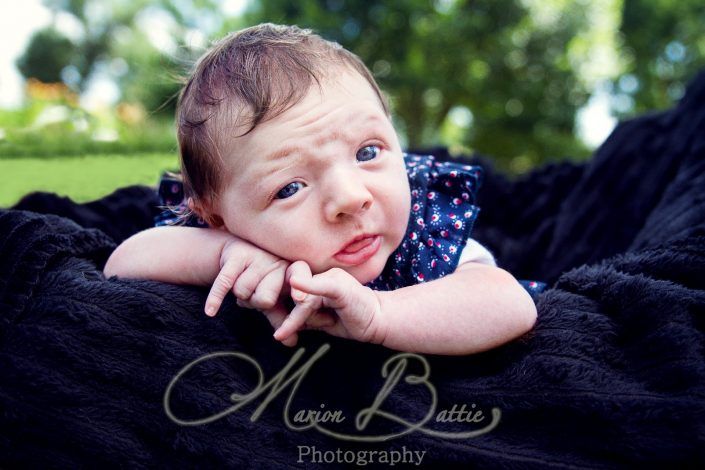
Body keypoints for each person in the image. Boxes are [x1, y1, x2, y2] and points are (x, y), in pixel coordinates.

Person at [104, 23, 541, 355]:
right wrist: (221, 253)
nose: (351, 197)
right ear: (216, 215)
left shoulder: (422, 232)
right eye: (290, 187)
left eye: (368, 152)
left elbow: (509, 304)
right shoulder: (223, 242)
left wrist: (379, 316)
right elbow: (120, 266)